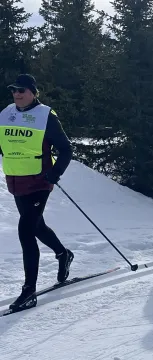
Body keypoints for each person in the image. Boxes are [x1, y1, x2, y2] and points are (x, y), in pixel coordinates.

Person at [0, 74, 74, 311]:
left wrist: (54, 174)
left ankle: (29, 291)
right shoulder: (6, 114)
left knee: (25, 230)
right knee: (36, 226)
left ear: (33, 92)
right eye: (14, 90)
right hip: (15, 179)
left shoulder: (46, 116)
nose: (17, 94)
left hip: (39, 181)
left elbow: (66, 149)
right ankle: (63, 254)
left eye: (22, 90)